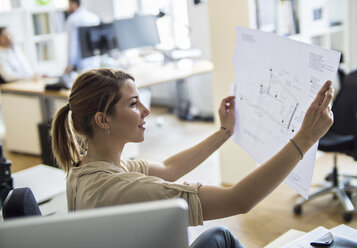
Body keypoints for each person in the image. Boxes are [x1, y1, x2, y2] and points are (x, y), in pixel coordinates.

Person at [51, 68, 333, 246]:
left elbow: (169, 168)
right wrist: (305, 138)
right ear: (103, 120)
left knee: (219, 237)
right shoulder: (122, 190)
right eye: (134, 104)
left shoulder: (89, 168)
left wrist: (224, 131)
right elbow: (238, 200)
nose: (147, 111)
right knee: (222, 237)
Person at [64, 0, 100, 74]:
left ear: (73, 4)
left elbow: (72, 43)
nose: (67, 8)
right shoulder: (94, 17)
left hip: (81, 64)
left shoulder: (72, 19)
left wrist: (70, 63)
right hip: (95, 61)